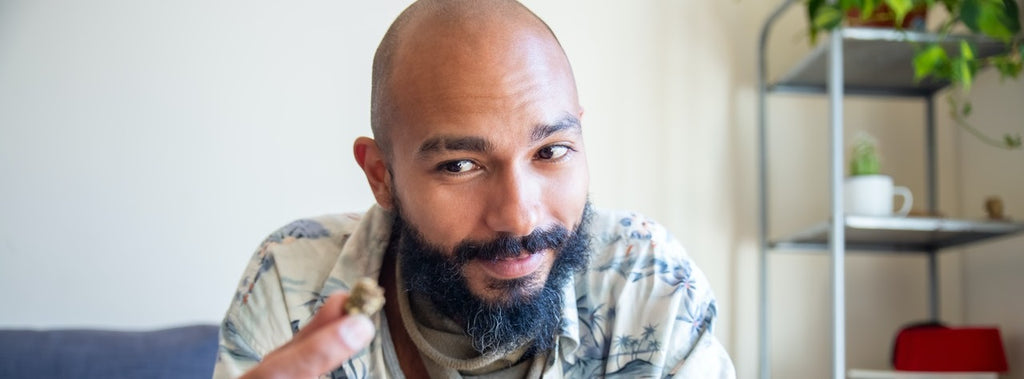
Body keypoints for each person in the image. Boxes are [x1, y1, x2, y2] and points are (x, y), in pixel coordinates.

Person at [213, 0, 736, 378]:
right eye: (460, 165)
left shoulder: (647, 282)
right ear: (381, 175)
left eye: (551, 151)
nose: (519, 218)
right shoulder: (291, 280)